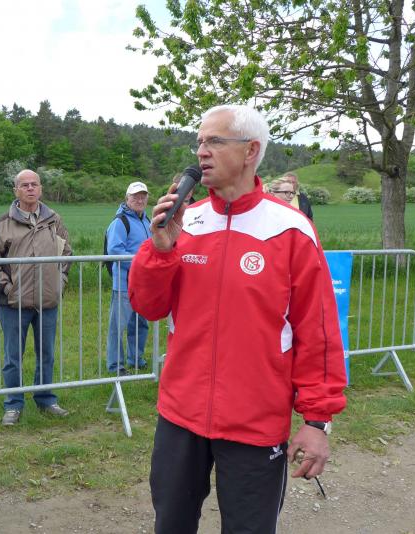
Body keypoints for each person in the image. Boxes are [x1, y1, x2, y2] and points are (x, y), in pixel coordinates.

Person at [129, 104, 347, 534]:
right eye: (199, 142)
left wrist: (317, 421)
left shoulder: (290, 229)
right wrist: (160, 250)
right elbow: (148, 306)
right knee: (170, 524)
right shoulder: (185, 222)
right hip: (180, 414)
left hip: (255, 421)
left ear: (250, 151)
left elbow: (318, 333)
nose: (201, 151)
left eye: (214, 141)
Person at [0, 170, 72, 426]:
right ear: (16, 191)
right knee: (13, 357)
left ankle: (45, 399)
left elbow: (67, 254)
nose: (30, 188)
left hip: (48, 302)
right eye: (25, 185)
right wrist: (8, 290)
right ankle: (13, 404)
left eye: (34, 184)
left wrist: (59, 283)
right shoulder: (4, 223)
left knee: (47, 354)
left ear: (40, 189)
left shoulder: (54, 220)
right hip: (14, 305)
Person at [105, 181, 152, 375]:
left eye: (143, 196)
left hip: (143, 284)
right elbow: (115, 250)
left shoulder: (147, 221)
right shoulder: (120, 222)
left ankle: (136, 359)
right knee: (118, 327)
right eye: (135, 196)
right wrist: (141, 265)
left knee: (140, 324)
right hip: (124, 284)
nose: (139, 200)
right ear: (127, 199)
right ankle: (116, 365)